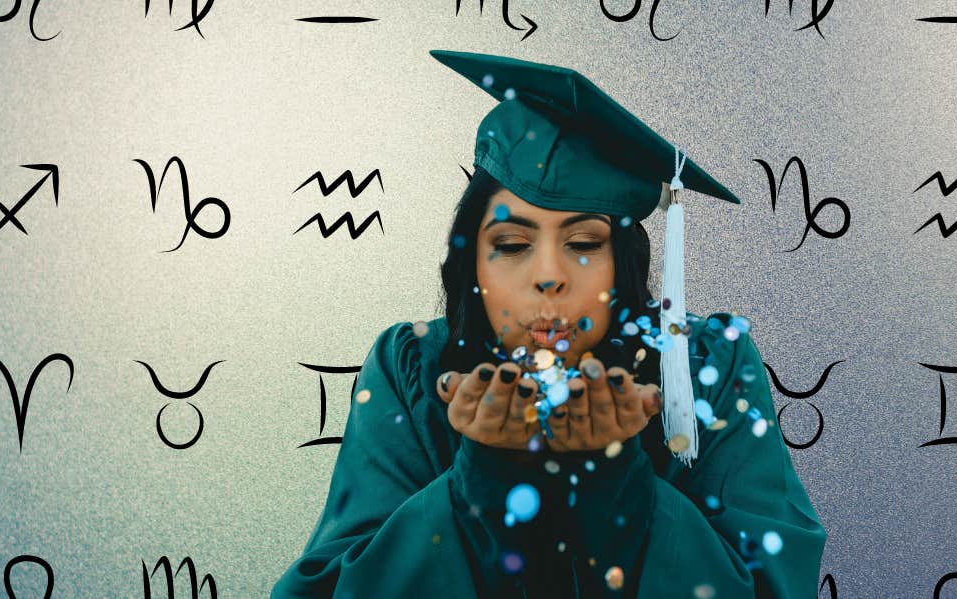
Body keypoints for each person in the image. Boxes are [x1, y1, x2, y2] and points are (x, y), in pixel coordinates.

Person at [272, 50, 827, 598]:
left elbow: (774, 586)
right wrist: (480, 479)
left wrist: (619, 485)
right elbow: (331, 588)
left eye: (584, 243)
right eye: (512, 244)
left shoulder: (704, 366)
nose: (548, 277)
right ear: (472, 264)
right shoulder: (413, 367)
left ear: (625, 262)